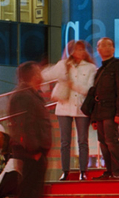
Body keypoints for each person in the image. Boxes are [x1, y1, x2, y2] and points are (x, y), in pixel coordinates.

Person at [7, 60, 54, 198]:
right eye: (38, 70)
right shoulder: (22, 96)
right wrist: (33, 150)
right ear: (31, 74)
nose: (41, 73)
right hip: (30, 155)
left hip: (37, 154)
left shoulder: (32, 94)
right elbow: (21, 126)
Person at [42, 40, 99, 180]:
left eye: (81, 49)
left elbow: (89, 89)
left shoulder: (91, 68)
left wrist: (72, 84)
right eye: (76, 49)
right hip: (64, 106)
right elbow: (45, 76)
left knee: (82, 141)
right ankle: (65, 171)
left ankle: (83, 171)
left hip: (81, 107)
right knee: (65, 141)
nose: (79, 52)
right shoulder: (62, 65)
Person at [85, 37, 119, 180]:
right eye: (102, 45)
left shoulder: (118, 65)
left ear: (114, 49)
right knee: (103, 143)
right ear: (98, 50)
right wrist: (93, 119)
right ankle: (109, 171)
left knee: (112, 140)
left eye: (109, 45)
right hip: (100, 111)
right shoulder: (100, 70)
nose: (106, 47)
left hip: (111, 110)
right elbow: (95, 95)